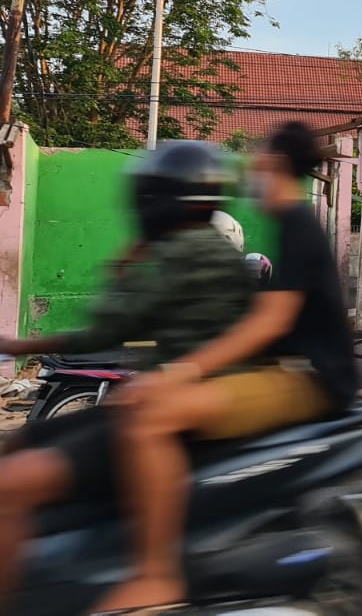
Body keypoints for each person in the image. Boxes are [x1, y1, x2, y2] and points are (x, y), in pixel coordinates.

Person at [97, 121, 358, 611]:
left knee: (153, 418)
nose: (249, 165)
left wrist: (179, 373)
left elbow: (268, 323)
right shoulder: (288, 224)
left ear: (275, 164)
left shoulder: (299, 225)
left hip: (315, 381)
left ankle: (156, 577)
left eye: (257, 155)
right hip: (291, 370)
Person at [0, 141, 254, 602]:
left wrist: (123, 265)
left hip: (167, 416)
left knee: (8, 484)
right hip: (167, 403)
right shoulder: (205, 250)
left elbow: (108, 327)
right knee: (23, 439)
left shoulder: (185, 251)